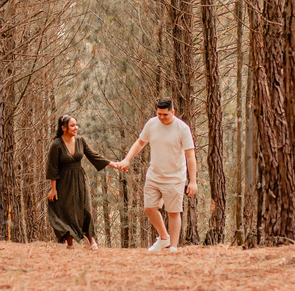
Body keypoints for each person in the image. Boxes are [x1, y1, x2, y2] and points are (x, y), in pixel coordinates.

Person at [113, 98, 197, 252]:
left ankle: (173, 247)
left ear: (173, 112)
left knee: (173, 212)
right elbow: (140, 142)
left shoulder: (182, 128)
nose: (162, 117)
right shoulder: (152, 124)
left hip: (174, 176)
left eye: (165, 114)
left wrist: (193, 181)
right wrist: (127, 159)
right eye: (159, 114)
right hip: (154, 174)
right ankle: (164, 238)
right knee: (149, 208)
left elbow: (190, 156)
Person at [47, 115, 122, 249]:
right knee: (65, 210)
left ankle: (91, 239)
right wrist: (53, 189)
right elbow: (53, 168)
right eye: (72, 125)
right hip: (63, 182)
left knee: (85, 208)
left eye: (76, 125)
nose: (76, 128)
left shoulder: (80, 140)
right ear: (63, 128)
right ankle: (69, 243)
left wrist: (114, 164)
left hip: (80, 179)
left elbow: (93, 156)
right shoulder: (56, 144)